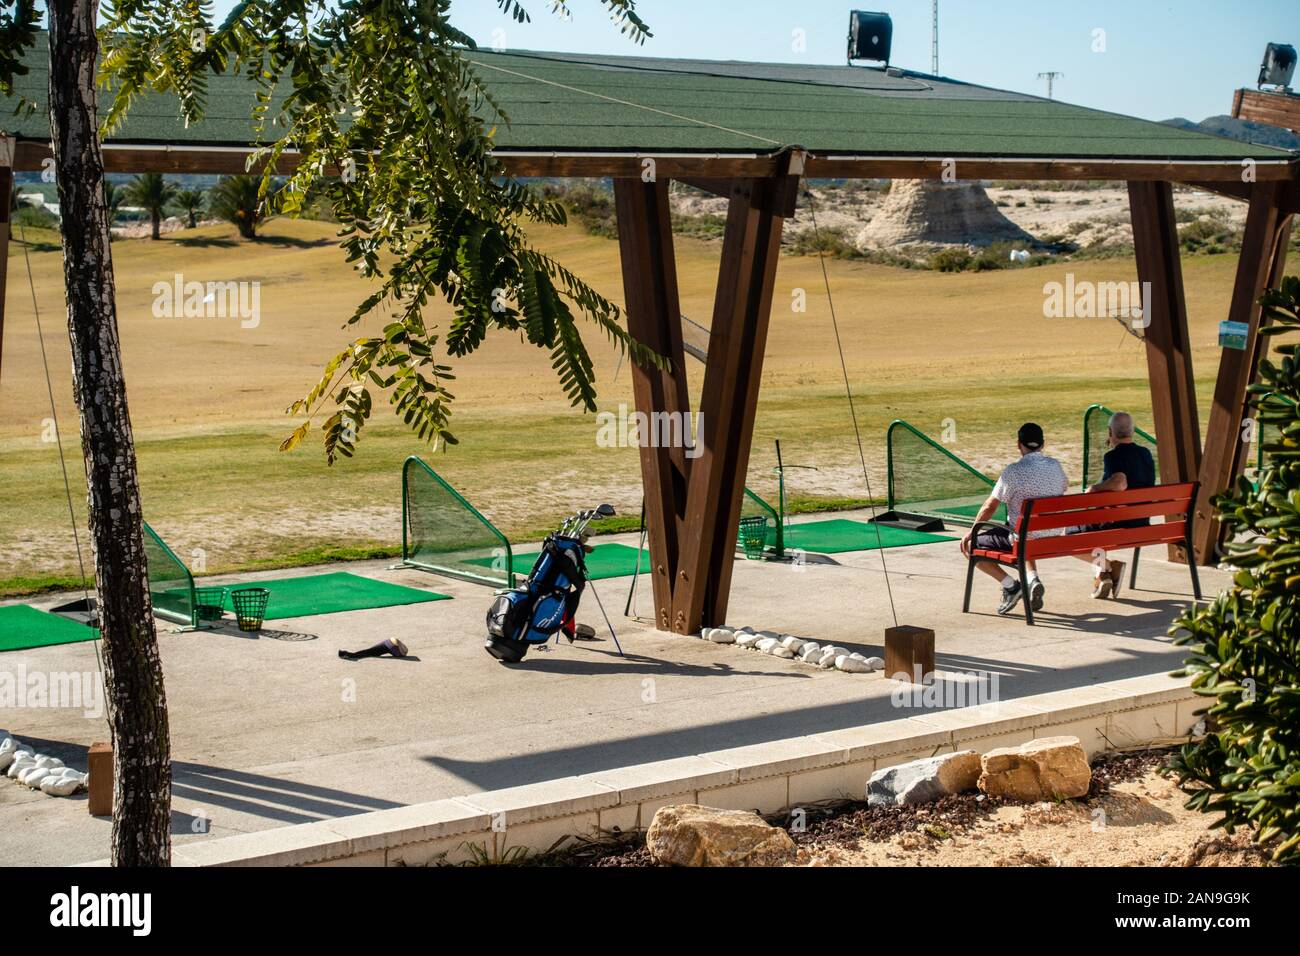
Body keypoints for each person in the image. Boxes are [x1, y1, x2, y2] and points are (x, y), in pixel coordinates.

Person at [960, 422, 1068, 615]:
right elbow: (1063, 488)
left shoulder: (1013, 471)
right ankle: (1032, 579)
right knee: (1026, 532)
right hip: (1052, 533)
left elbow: (989, 506)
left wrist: (972, 531)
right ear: (1043, 444)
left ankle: (1011, 586)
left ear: (1019, 444)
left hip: (1024, 536)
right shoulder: (1056, 466)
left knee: (970, 546)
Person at [1078, 411, 1156, 599]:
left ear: (1110, 432)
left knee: (1070, 535)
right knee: (1095, 525)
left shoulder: (1113, 457)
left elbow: (1120, 483)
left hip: (1119, 523)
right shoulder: (1146, 454)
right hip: (1141, 521)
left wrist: (1094, 489)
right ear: (1132, 431)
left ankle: (1109, 567)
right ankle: (1102, 576)